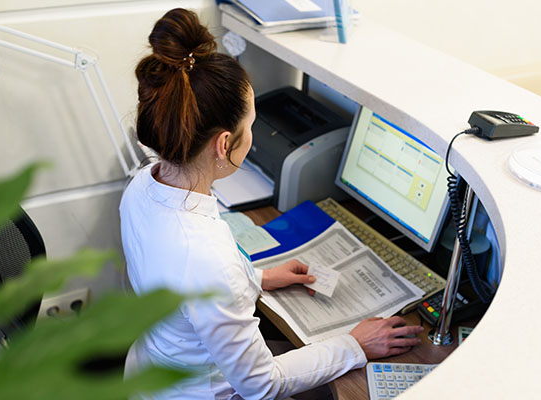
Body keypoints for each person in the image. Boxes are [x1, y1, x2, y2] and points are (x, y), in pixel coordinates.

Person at [120, 8, 424, 400]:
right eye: (251, 125)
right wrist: (354, 345)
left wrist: (257, 279)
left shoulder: (143, 185)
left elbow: (180, 284)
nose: (254, 135)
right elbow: (262, 386)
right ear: (224, 144)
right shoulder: (207, 258)